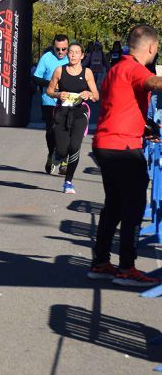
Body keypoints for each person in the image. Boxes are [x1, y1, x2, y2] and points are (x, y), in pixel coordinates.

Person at [86, 25, 162, 288]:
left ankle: (100, 263)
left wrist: (144, 127)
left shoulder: (116, 69)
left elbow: (119, 106)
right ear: (152, 47)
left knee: (115, 206)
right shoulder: (136, 69)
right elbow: (153, 82)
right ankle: (127, 268)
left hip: (106, 143)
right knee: (133, 208)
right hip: (123, 149)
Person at [47, 42, 99, 194]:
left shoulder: (87, 72)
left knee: (75, 147)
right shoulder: (59, 71)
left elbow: (96, 96)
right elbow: (49, 90)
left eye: (77, 52)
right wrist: (58, 94)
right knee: (63, 150)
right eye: (71, 52)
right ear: (67, 54)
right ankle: (58, 155)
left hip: (80, 112)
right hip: (62, 111)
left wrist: (89, 94)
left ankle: (68, 182)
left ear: (82, 55)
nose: (73, 55)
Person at [34, 34, 70, 173]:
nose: (61, 52)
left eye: (64, 49)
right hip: (49, 100)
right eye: (57, 49)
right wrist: (51, 85)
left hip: (68, 101)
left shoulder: (71, 57)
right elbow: (36, 78)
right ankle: (51, 153)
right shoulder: (46, 58)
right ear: (53, 47)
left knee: (66, 129)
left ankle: (63, 160)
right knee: (51, 130)